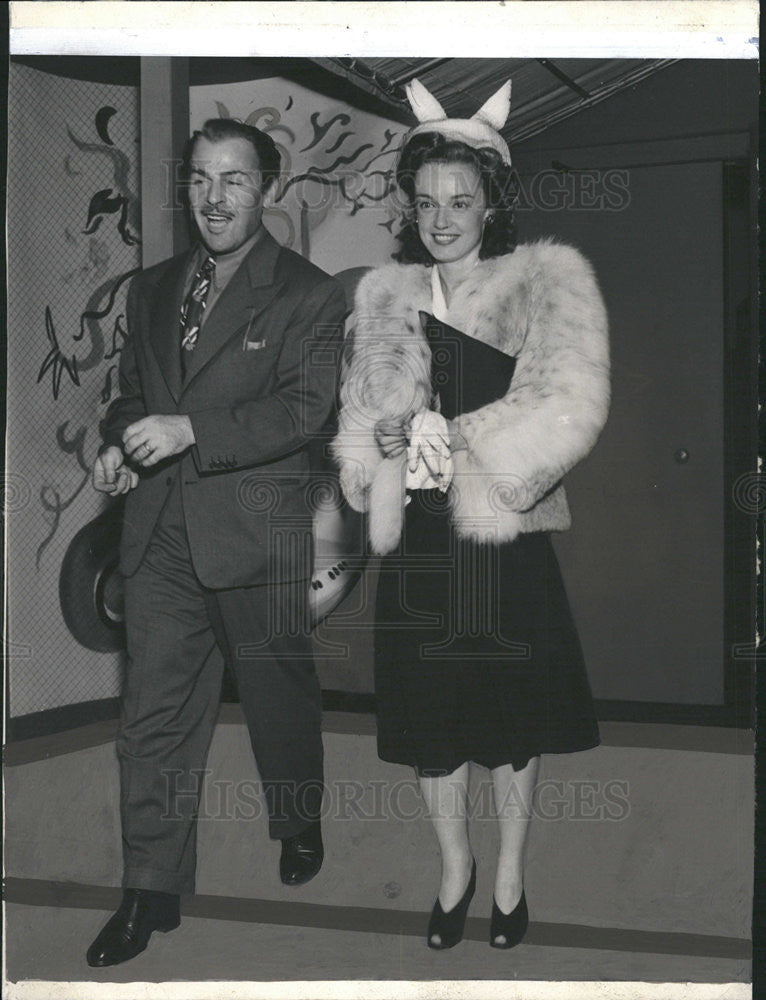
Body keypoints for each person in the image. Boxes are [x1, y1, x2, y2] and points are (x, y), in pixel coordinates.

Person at [333, 80, 610, 950]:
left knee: (508, 717)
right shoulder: (383, 297)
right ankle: (454, 869)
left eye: (460, 200)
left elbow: (570, 401)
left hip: (502, 535)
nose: (441, 218)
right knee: (431, 721)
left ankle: (512, 872)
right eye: (425, 203)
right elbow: (355, 422)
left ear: (493, 200)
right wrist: (376, 440)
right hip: (419, 540)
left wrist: (452, 434)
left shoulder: (544, 279)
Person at [86, 118, 346, 967]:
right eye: (200, 179)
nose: (214, 198)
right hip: (160, 534)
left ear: (265, 188)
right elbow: (128, 394)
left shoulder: (307, 292)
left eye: (233, 180)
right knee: (151, 717)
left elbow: (305, 411)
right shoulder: (151, 288)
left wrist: (188, 428)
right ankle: (149, 889)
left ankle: (298, 819)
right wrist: (126, 444)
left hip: (257, 533)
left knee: (278, 701)